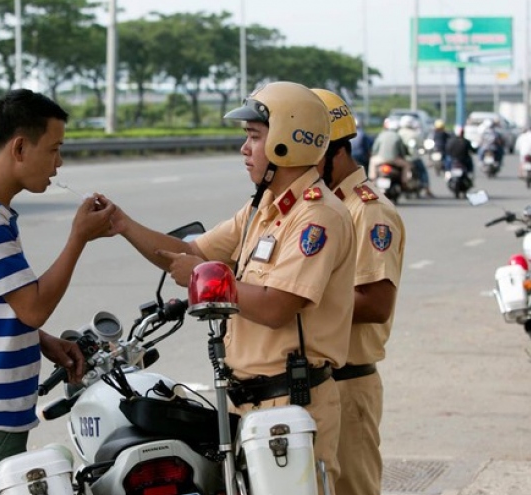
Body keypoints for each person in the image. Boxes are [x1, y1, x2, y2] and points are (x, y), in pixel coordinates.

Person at [107, 81, 355, 495]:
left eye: (255, 137)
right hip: (248, 402)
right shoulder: (264, 207)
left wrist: (207, 278)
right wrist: (123, 225)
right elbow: (188, 252)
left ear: (285, 143)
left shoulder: (316, 217)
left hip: (291, 403)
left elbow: (277, 307)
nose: (245, 148)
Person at [0, 89, 117, 495]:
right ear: (18, 148)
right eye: (54, 149)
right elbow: (32, 307)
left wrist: (41, 342)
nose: (59, 163)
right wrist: (78, 237)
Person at [313, 89, 406, 495]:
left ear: (332, 151)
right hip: (315, 384)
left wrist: (295, 301)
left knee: (353, 489)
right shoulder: (321, 206)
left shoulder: (367, 211)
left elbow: (377, 303)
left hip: (348, 384)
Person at [396, 115, 434, 197]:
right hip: (413, 158)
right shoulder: (415, 134)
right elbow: (422, 144)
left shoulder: (398, 133)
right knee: (423, 171)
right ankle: (427, 189)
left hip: (401, 158)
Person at [368, 119, 414, 188]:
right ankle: (404, 182)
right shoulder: (397, 136)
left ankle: (372, 180)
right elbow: (402, 152)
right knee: (407, 165)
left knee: (372, 161)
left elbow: (375, 149)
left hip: (381, 159)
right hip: (394, 160)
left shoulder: (381, 135)